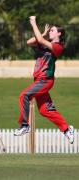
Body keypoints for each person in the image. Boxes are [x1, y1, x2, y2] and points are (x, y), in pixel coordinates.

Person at [14, 16, 74, 144]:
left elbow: (40, 40)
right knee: (45, 110)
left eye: (52, 30)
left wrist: (33, 22)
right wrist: (44, 33)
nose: (50, 32)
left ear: (59, 33)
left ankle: (25, 126)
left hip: (45, 80)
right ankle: (66, 129)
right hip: (38, 81)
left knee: (24, 95)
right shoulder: (43, 45)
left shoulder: (58, 47)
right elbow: (30, 42)